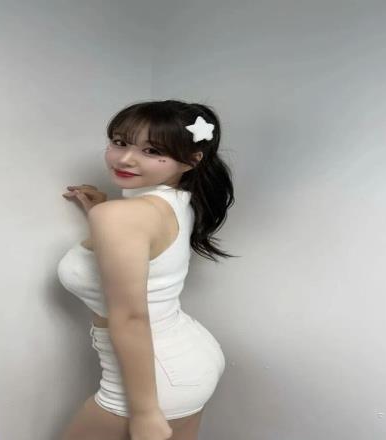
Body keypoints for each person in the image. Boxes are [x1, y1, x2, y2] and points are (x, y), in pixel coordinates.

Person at [57, 99, 238, 440]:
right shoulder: (180, 201)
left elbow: (130, 317)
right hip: (189, 357)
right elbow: (152, 248)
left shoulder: (123, 217)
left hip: (154, 382)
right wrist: (103, 214)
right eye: (120, 142)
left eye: (152, 150)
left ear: (192, 160)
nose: (125, 158)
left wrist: (145, 414)